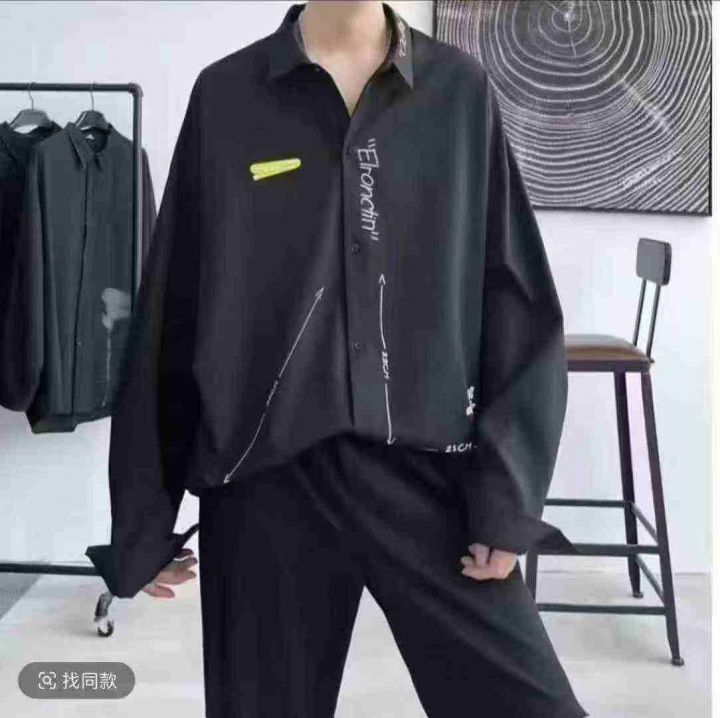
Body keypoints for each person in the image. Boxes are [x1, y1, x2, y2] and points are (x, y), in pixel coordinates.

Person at [86, 2, 589, 716]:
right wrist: (143, 521)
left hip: (429, 478)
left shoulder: (458, 91)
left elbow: (515, 302)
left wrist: (507, 501)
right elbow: (174, 309)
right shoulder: (227, 95)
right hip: (265, 481)